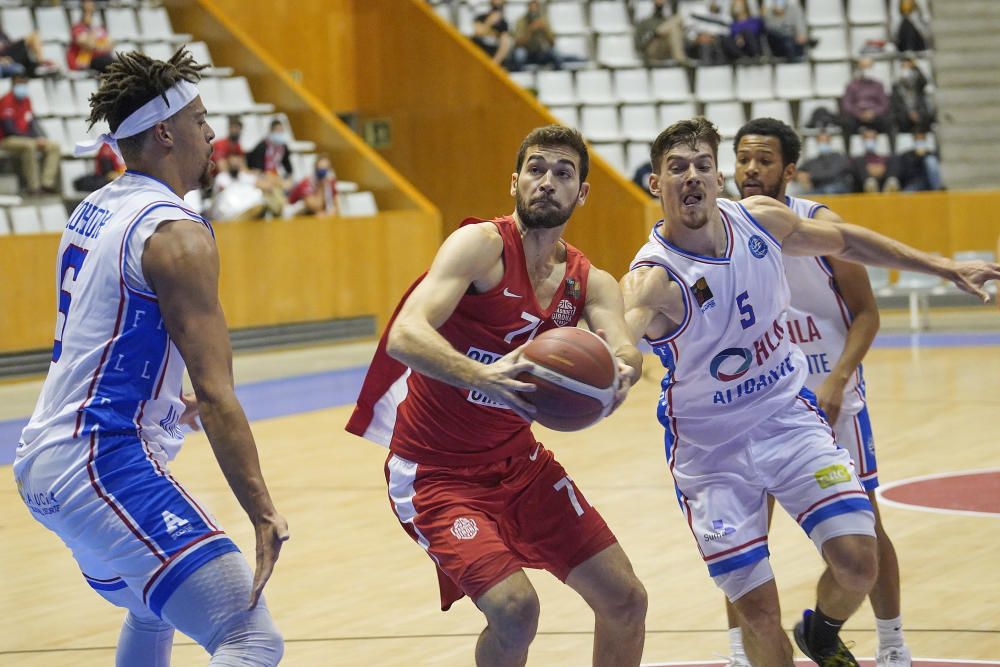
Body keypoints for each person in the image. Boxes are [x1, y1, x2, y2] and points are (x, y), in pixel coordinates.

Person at [620, 117, 998, 666]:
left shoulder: (762, 220)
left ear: (718, 177)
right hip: (712, 453)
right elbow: (619, 341)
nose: (692, 176)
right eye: (677, 168)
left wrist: (940, 265)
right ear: (656, 184)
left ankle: (820, 630)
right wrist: (615, 369)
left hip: (787, 420)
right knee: (758, 613)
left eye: (703, 164)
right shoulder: (651, 279)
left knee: (858, 562)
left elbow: (847, 241)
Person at [12, 48, 288, 665]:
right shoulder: (176, 233)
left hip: (47, 458)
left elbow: (105, 335)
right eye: (200, 117)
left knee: (150, 603)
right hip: (100, 461)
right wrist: (263, 512)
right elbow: (218, 395)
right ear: (165, 132)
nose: (212, 131)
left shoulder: (99, 206)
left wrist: (161, 400)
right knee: (251, 638)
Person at [346, 125, 648, 667]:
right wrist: (483, 377)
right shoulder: (481, 247)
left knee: (626, 598)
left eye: (563, 173)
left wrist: (619, 375)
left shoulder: (589, 281)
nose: (547, 182)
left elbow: (624, 348)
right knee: (514, 609)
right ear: (515, 181)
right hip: (435, 474)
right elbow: (406, 334)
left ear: (581, 193)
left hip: (521, 467)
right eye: (536, 169)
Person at [721, 117, 913, 667]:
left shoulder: (819, 228)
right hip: (757, 407)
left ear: (789, 170)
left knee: (867, 531)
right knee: (746, 538)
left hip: (834, 401)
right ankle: (739, 651)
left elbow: (867, 315)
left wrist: (836, 380)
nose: (751, 169)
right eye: (743, 159)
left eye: (763, 160)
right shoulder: (721, 230)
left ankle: (892, 644)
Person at [0, 74, 61, 195]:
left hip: (27, 138)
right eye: (19, 83)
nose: (22, 86)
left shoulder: (26, 100)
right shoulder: (6, 100)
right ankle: (33, 187)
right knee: (30, 146)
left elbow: (32, 122)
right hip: (7, 140)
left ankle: (46, 184)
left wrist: (40, 137)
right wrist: (33, 139)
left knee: (54, 146)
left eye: (24, 84)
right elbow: (9, 129)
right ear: (13, 84)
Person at [841, 58, 891, 136]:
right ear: (859, 68)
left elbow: (884, 104)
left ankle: (892, 147)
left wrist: (873, 112)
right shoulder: (851, 85)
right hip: (856, 117)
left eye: (868, 67)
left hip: (875, 116)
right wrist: (859, 113)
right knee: (846, 123)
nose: (866, 69)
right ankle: (847, 148)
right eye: (863, 67)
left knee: (889, 122)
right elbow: (846, 104)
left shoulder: (878, 85)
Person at [796, 130, 854, 195]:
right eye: (821, 141)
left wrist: (812, 175)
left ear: (830, 141)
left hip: (837, 187)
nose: (823, 143)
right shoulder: (813, 161)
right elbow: (799, 171)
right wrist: (801, 174)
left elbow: (832, 173)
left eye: (826, 140)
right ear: (817, 142)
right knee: (808, 195)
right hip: (819, 189)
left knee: (828, 190)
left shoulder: (839, 157)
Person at [634, 0, 689, 66]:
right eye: (658, 3)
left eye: (662, 4)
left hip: (666, 50)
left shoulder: (667, 20)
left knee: (675, 28)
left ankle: (659, 32)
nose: (660, 6)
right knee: (677, 19)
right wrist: (652, 36)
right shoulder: (645, 22)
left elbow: (682, 39)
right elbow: (638, 43)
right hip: (652, 49)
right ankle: (680, 59)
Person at [889, 57, 935, 134]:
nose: (906, 69)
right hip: (903, 116)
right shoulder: (896, 86)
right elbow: (896, 105)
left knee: (925, 119)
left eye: (908, 66)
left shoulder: (917, 83)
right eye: (903, 66)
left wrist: (916, 67)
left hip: (919, 112)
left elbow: (924, 81)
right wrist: (909, 113)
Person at [512, 0, 562, 70]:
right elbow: (518, 43)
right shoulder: (521, 21)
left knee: (556, 53)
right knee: (519, 54)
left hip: (541, 52)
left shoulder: (544, 20)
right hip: (527, 52)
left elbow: (553, 43)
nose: (533, 11)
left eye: (535, 8)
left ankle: (558, 75)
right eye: (531, 8)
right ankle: (521, 75)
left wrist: (545, 30)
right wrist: (530, 30)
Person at [68, 0, 115, 74]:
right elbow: (88, 45)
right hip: (85, 62)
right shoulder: (77, 28)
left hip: (102, 59)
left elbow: (110, 45)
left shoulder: (98, 28)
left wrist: (97, 46)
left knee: (118, 64)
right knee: (112, 65)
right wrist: (98, 45)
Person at [851, 126, 899, 193]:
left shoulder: (884, 157)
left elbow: (885, 168)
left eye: (872, 138)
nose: (870, 141)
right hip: (863, 184)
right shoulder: (858, 159)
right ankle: (869, 184)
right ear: (863, 140)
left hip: (882, 181)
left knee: (894, 158)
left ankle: (890, 183)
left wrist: (882, 169)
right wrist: (869, 170)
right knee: (858, 161)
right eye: (867, 138)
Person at [472, 0, 515, 69]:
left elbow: (505, 41)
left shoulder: (503, 23)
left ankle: (493, 66)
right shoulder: (481, 18)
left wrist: (493, 64)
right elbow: (478, 33)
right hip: (480, 51)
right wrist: (489, 22)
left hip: (493, 53)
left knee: (507, 41)